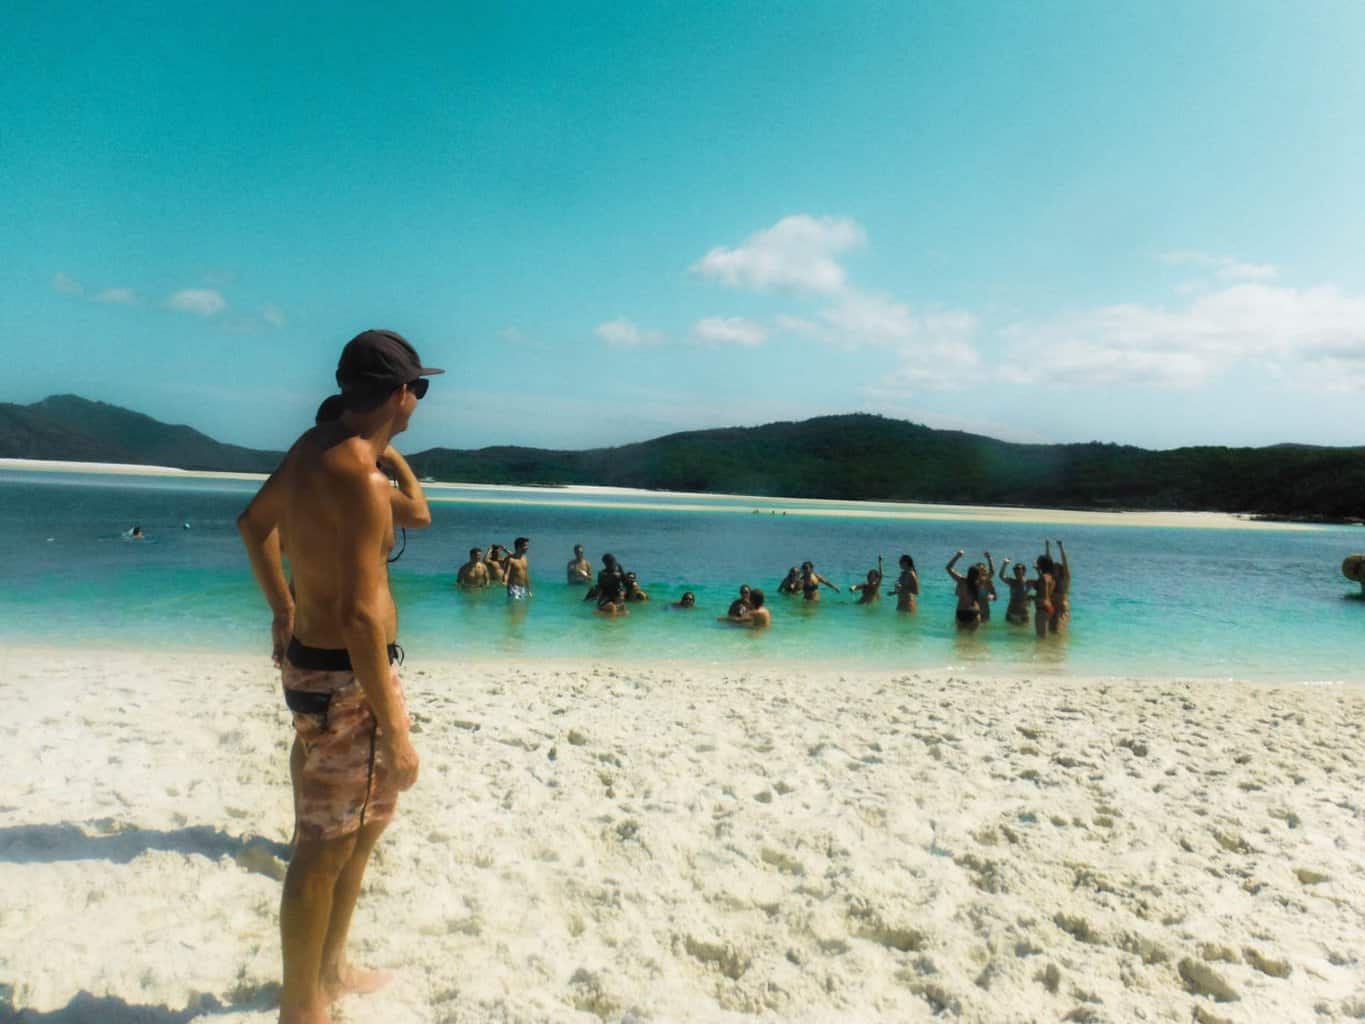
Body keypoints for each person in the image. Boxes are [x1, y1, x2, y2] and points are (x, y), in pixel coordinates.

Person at [237, 328, 440, 1024]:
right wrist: (398, 730)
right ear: (400, 392)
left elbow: (251, 523)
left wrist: (282, 609)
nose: (419, 399)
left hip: (319, 667)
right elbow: (358, 616)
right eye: (418, 387)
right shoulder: (353, 469)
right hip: (346, 679)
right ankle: (302, 1009)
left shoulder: (315, 449)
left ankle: (330, 972)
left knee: (354, 833)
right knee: (324, 849)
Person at [946, 549, 983, 629]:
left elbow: (948, 568)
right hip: (974, 611)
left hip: (961, 611)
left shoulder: (961, 580)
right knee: (974, 639)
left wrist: (958, 556)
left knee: (959, 637)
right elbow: (992, 573)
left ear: (968, 573)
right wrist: (989, 559)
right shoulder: (979, 583)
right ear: (978, 575)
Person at [1048, 539, 1071, 634]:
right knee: (1051, 632)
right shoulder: (1052, 580)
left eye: (1056, 568)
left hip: (1061, 609)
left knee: (1059, 632)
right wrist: (1047, 547)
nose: (1054, 569)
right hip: (1052, 609)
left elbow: (1065, 563)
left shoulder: (1065, 578)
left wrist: (1061, 547)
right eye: (1053, 568)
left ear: (1060, 569)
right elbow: (1048, 563)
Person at [999, 558, 1031, 626]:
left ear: (1024, 571)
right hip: (1011, 613)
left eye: (1019, 570)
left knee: (1023, 635)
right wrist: (1005, 564)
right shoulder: (1012, 582)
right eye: (1015, 570)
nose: (1016, 572)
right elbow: (1001, 576)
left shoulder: (1029, 583)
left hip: (1023, 615)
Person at [1031, 553, 1056, 638]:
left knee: (1041, 638)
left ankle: (1042, 651)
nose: (1037, 564)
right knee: (1044, 637)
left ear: (1042, 565)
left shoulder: (1043, 578)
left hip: (1042, 609)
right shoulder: (1051, 577)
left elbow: (1044, 597)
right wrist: (1038, 571)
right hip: (1048, 608)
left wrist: (1031, 597)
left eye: (1038, 563)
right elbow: (1047, 592)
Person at [975, 553, 997, 622]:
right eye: (979, 569)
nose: (981, 571)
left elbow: (995, 597)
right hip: (974, 609)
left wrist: (991, 596)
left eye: (983, 569)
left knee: (984, 630)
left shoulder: (988, 582)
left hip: (985, 609)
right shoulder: (972, 581)